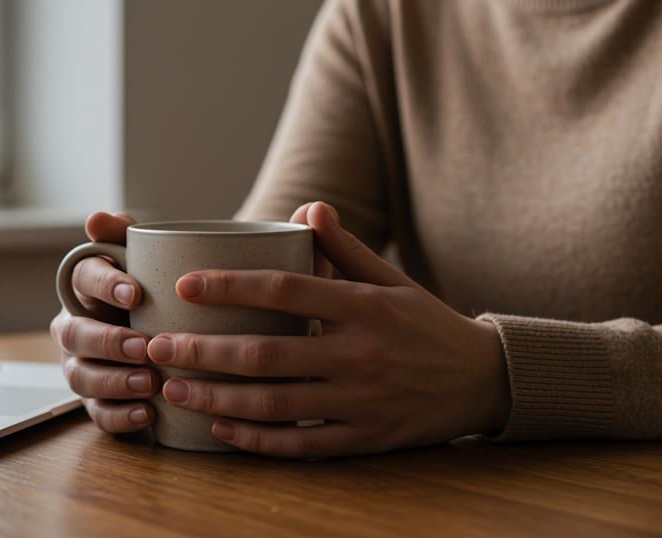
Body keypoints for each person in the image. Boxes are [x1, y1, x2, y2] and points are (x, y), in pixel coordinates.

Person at [49, 0, 662, 458]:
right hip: (452, 499)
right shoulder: (385, 14)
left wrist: (498, 376)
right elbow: (267, 257)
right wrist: (130, 322)